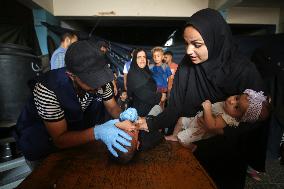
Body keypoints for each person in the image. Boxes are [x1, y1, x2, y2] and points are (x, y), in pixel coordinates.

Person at [137, 8, 268, 189]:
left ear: (216, 40)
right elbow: (174, 107)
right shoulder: (186, 66)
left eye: (197, 44)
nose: (189, 51)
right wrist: (147, 123)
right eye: (186, 43)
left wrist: (221, 131)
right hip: (189, 150)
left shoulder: (243, 70)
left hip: (226, 158)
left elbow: (258, 118)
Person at [14, 40, 134, 169]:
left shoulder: (103, 83)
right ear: (71, 75)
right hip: (43, 145)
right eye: (91, 81)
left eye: (100, 77)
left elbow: (111, 106)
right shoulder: (48, 88)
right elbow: (60, 139)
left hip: (79, 141)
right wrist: (97, 132)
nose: (98, 86)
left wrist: (123, 115)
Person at [166, 89, 270, 151]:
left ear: (239, 118)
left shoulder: (227, 118)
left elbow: (211, 125)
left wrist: (207, 108)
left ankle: (191, 147)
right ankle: (174, 136)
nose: (232, 101)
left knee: (182, 138)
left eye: (236, 107)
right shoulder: (226, 106)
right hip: (195, 120)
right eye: (237, 97)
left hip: (199, 130)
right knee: (181, 120)